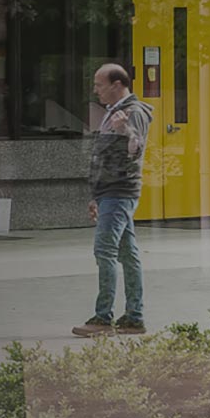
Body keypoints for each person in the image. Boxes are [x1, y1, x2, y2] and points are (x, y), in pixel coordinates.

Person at [74, 63, 154, 337]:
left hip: (120, 192)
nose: (96, 90)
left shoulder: (134, 112)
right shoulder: (113, 113)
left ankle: (103, 317)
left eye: (99, 84)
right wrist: (96, 195)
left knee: (104, 251)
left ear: (117, 85)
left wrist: (126, 131)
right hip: (110, 193)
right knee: (127, 254)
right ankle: (134, 317)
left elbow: (137, 148)